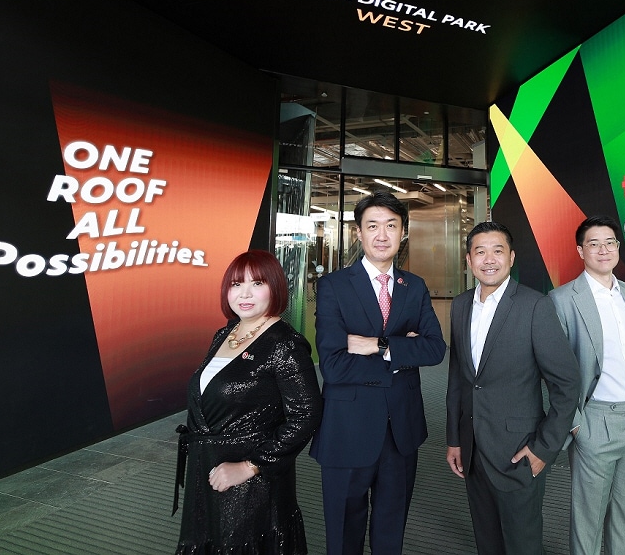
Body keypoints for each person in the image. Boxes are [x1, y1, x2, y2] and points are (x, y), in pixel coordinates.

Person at [309, 191, 447, 555]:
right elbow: (334, 364)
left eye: (391, 226)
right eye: (373, 226)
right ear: (359, 233)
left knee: (391, 531)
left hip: (401, 429)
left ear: (403, 233)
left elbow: (435, 349)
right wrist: (403, 350)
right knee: (342, 532)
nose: (382, 234)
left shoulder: (413, 286)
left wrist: (378, 345)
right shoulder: (333, 286)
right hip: (347, 428)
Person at [175, 249, 323, 554]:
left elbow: (306, 415)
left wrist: (250, 466)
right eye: (235, 284)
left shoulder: (285, 345)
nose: (244, 293)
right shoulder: (226, 333)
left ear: (276, 287)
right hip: (207, 468)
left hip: (251, 483)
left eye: (257, 284)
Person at [445, 221, 580, 555]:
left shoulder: (535, 306)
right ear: (468, 260)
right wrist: (454, 439)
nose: (489, 259)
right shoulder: (461, 305)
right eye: (480, 251)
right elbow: (459, 379)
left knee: (522, 543)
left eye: (498, 251)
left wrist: (544, 448)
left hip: (519, 452)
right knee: (486, 539)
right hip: (473, 448)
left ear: (512, 257)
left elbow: (566, 382)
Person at [549, 215, 625, 555]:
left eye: (610, 242)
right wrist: (576, 422)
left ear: (618, 248)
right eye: (593, 244)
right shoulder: (563, 299)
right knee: (589, 518)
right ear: (581, 250)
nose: (603, 250)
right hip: (594, 421)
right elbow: (554, 370)